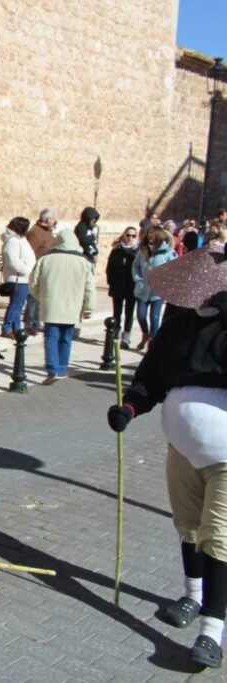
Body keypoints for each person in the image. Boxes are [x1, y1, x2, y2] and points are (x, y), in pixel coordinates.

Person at [107, 258, 227, 669]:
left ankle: (213, 630)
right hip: (182, 449)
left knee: (220, 538)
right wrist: (130, 406)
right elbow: (151, 377)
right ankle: (193, 595)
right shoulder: (176, 325)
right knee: (189, 527)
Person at [29, 226, 96, 384]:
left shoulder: (45, 259)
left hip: (51, 304)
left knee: (51, 337)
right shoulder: (84, 262)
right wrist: (88, 307)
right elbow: (89, 288)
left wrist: (42, 297)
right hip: (73, 306)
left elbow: (33, 283)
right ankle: (62, 368)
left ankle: (52, 369)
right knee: (66, 338)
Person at [132, 226, 176, 350]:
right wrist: (138, 279)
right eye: (149, 233)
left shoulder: (167, 252)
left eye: (152, 233)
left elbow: (175, 268)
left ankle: (153, 344)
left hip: (158, 291)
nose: (150, 235)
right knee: (141, 315)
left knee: (154, 317)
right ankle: (145, 334)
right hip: (143, 289)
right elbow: (135, 266)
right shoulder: (143, 251)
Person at [24, 209, 59, 334]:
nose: (55, 221)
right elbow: (29, 251)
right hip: (37, 268)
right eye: (54, 218)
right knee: (33, 296)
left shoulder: (47, 232)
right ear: (48, 219)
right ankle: (30, 322)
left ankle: (36, 320)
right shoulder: (35, 232)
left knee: (40, 296)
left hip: (46, 269)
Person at [0, 217, 35, 338]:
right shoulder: (13, 241)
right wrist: (25, 270)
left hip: (23, 278)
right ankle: (7, 327)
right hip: (18, 278)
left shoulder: (20, 240)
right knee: (15, 305)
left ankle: (17, 328)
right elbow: (12, 259)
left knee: (18, 306)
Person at [105, 227, 139, 349]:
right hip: (118, 286)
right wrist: (111, 282)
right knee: (117, 312)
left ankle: (126, 337)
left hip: (131, 287)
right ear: (124, 235)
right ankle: (115, 335)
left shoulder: (138, 251)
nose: (130, 238)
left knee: (129, 313)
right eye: (128, 235)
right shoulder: (117, 250)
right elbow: (109, 268)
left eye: (133, 236)